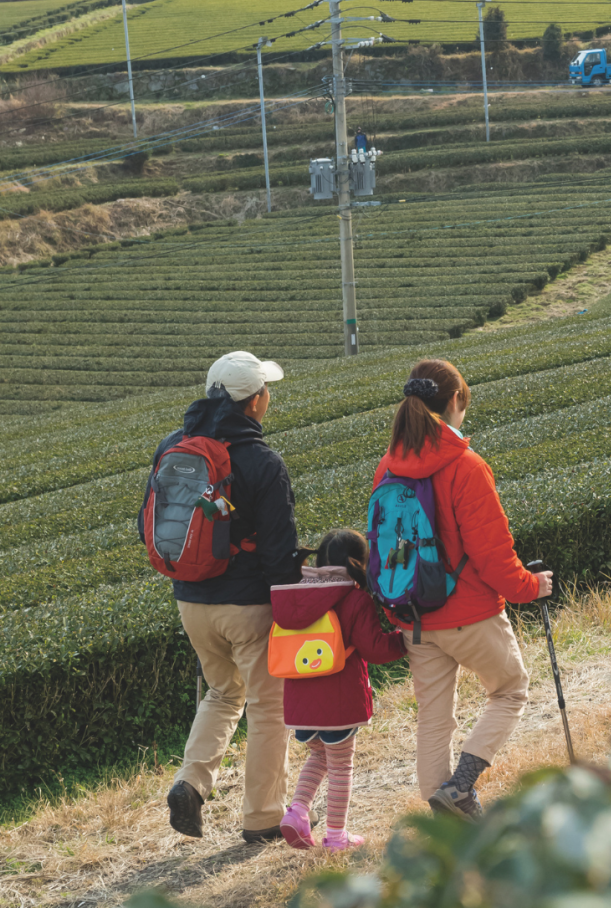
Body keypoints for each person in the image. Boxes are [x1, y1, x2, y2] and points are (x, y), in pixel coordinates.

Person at [372, 358, 554, 820]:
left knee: (434, 716)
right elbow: (493, 553)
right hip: (469, 613)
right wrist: (531, 586)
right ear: (454, 401)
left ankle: (442, 811)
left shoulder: (388, 468)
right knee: (510, 690)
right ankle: (461, 787)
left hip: (413, 615)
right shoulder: (466, 466)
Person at [158, 351, 303, 844]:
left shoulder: (175, 446)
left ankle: (190, 782)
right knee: (268, 707)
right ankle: (262, 818)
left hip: (190, 600)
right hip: (246, 606)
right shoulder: (263, 462)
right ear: (255, 401)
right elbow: (281, 556)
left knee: (222, 693)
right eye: (266, 391)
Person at [270, 530, 407, 851]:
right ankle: (335, 836)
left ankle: (297, 813)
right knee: (341, 766)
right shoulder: (355, 598)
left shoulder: (295, 596)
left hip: (299, 701)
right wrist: (402, 638)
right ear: (359, 563)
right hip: (339, 701)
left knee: (320, 756)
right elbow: (374, 649)